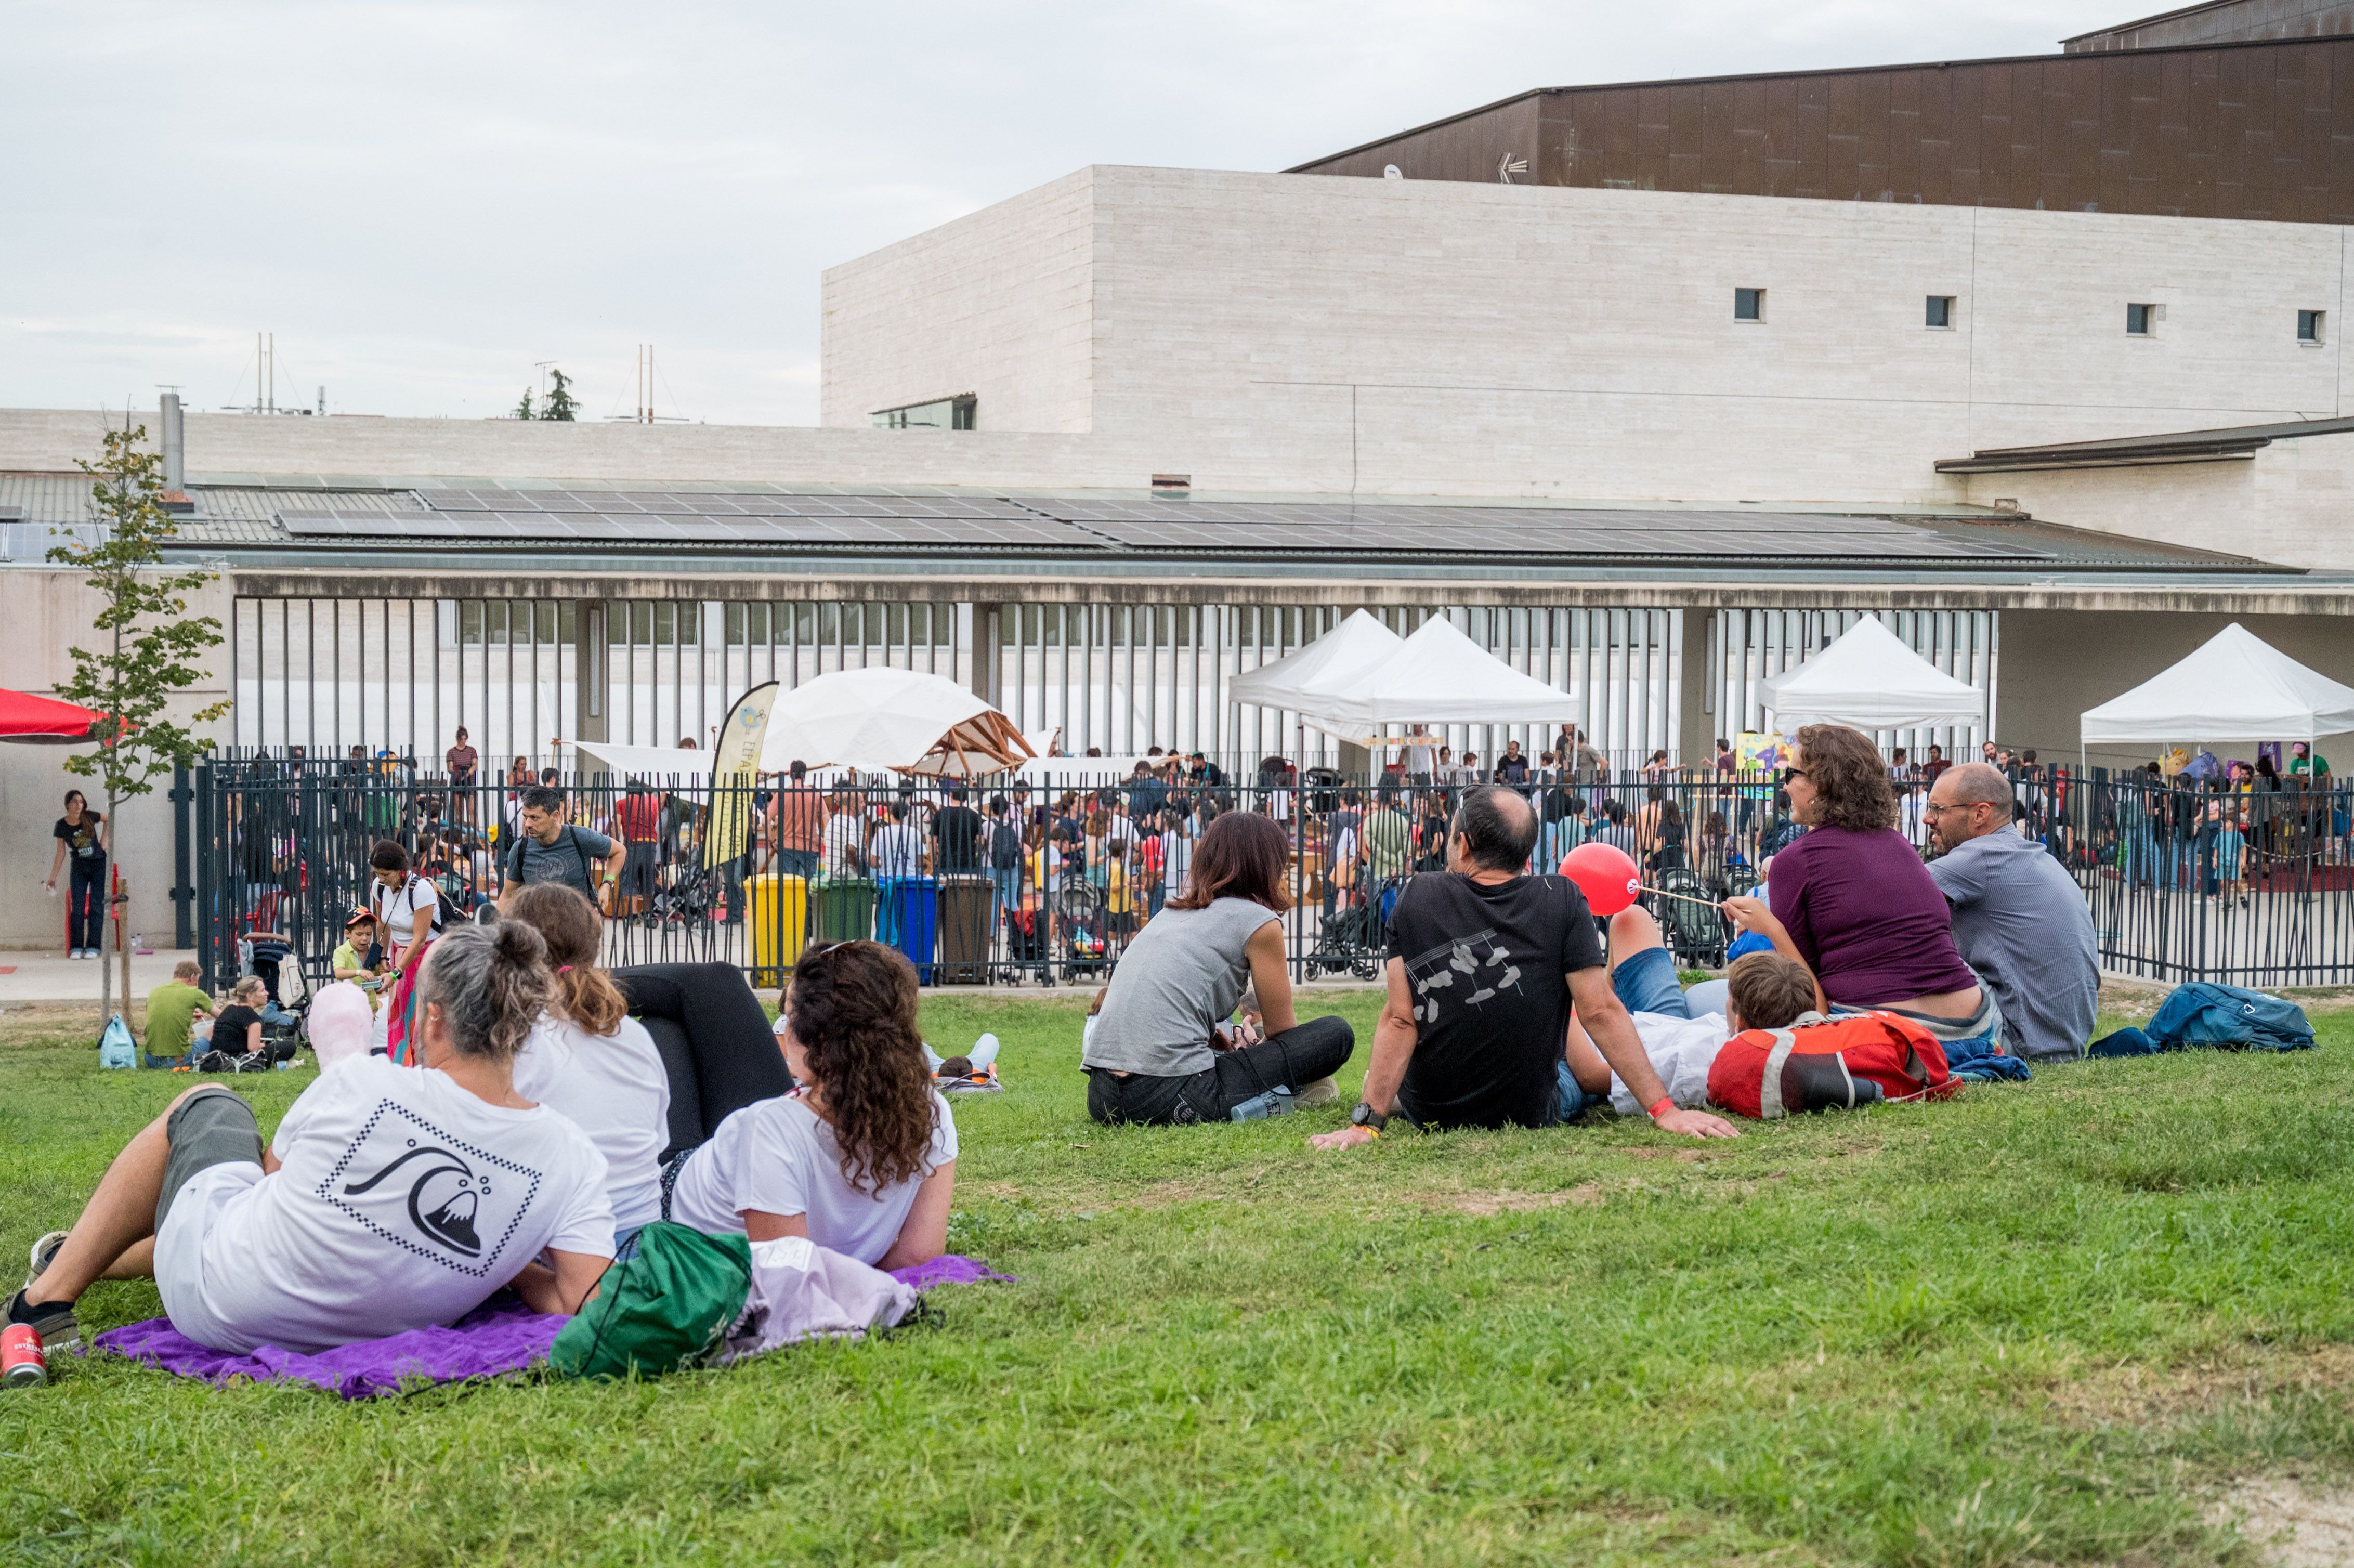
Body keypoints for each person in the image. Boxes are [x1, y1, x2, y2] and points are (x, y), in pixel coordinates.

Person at [11, 922, 612, 1357]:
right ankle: (85, 1259)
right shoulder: (573, 1158)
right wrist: (502, 1264)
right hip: (373, 1335)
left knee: (208, 1106)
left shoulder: (362, 1082)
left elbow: (271, 1185)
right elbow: (578, 1299)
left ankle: (44, 1301)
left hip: (221, 1304)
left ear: (434, 1019)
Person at [1312, 786, 1736, 1148]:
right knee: (1577, 1063)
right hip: (1532, 1110)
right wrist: (1664, 1111)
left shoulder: (1417, 896)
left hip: (1433, 1108)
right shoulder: (1563, 898)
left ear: (1465, 843)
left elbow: (1400, 1020)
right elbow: (1600, 1012)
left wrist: (1365, 1123)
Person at [664, 941, 955, 1269]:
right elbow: (919, 1254)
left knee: (676, 1021)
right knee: (719, 983)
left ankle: (596, 987)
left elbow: (786, 1279)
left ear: (811, 1037)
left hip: (669, 1200)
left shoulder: (772, 1130)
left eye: (788, 1016)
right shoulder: (933, 1111)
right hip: (740, 1159)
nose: (784, 1028)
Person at [1082, 811, 1355, 1125]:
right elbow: (1284, 1035)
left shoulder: (1169, 913)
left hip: (1103, 1096)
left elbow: (1165, 995)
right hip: (1172, 1093)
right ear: (1266, 867)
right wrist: (1250, 1048)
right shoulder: (1260, 923)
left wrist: (1215, 1038)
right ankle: (1286, 1093)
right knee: (1336, 1034)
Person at [1768, 725, 1995, 1045]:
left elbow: (1802, 987)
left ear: (1822, 782)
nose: (1786, 784)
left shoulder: (1795, 860)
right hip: (1971, 1028)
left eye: (1792, 773)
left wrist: (1767, 926)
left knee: (1707, 997)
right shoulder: (1900, 845)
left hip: (1882, 1034)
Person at [504, 884, 670, 1248]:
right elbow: (657, 1141)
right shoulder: (635, 1037)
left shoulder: (518, 1041)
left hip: (564, 1245)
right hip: (645, 1237)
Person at [1563, 906, 1820, 1115]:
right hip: (1663, 1024)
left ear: (1740, 1023)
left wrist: (1575, 1003)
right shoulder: (1779, 1029)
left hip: (1589, 1048)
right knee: (1631, 919)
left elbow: (1590, 1076)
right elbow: (1818, 1011)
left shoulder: (1690, 1066)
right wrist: (1773, 929)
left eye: (1728, 998)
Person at [1920, 762, 2096, 1060]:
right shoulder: (2037, 858)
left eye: (1938, 809)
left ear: (1980, 814)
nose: (1927, 819)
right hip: (2064, 1043)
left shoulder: (1981, 856)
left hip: (2021, 1042)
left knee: (1908, 945)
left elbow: (1888, 904)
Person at [369, 838, 446, 1064]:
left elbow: (421, 938)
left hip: (425, 956)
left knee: (421, 1013)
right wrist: (383, 955)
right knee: (400, 1012)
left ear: (401, 871)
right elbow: (383, 923)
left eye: (385, 874)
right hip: (398, 952)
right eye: (377, 874)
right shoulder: (380, 887)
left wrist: (396, 973)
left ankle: (426, 1064)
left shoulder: (421, 890)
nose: (380, 879)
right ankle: (402, 1065)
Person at [499, 784, 625, 913]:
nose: (527, 824)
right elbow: (508, 896)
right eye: (525, 817)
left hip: (578, 926)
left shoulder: (580, 837)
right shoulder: (521, 849)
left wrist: (607, 885)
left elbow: (619, 851)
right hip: (537, 929)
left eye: (534, 818)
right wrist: (495, 929)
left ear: (555, 815)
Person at [45, 789, 109, 959]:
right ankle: (76, 947)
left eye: (81, 802)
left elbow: (108, 818)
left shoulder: (89, 816)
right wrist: (52, 878)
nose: (78, 805)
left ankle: (94, 947)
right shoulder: (61, 826)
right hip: (79, 868)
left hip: (98, 865)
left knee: (96, 905)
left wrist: (104, 841)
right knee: (78, 907)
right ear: (67, 805)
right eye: (74, 802)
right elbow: (61, 853)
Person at [143, 960, 214, 1066]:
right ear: (192, 977)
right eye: (197, 980)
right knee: (212, 1030)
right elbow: (222, 1016)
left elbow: (161, 1016)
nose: (197, 984)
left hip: (151, 1059)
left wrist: (188, 1013)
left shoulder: (155, 992)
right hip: (178, 1061)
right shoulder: (195, 993)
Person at [612, 778, 663, 915]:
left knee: (630, 878)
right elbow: (660, 808)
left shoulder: (621, 803)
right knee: (647, 878)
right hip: (651, 843)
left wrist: (615, 846)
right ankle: (647, 913)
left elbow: (616, 826)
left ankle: (634, 915)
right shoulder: (652, 802)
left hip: (633, 844)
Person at [773, 761, 827, 880]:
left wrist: (772, 839)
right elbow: (826, 818)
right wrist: (825, 839)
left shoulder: (781, 794)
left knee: (789, 886)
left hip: (787, 845)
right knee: (811, 885)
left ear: (790, 775)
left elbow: (766, 819)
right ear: (805, 776)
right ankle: (808, 899)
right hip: (810, 846)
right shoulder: (815, 795)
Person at [331, 908, 386, 1006]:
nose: (365, 938)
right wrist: (359, 972)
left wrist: (383, 971)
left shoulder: (372, 952)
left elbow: (377, 976)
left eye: (369, 934)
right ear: (348, 934)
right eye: (359, 934)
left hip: (370, 1003)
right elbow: (339, 973)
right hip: (348, 1002)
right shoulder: (341, 951)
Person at [208, 975, 268, 1059]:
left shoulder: (229, 1009)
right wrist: (262, 1045)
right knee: (287, 1047)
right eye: (262, 991)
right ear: (250, 996)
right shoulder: (253, 1018)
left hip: (215, 1057)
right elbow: (253, 1048)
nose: (267, 993)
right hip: (235, 1059)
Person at [932, 784, 986, 876]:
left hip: (946, 862)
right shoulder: (974, 816)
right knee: (967, 890)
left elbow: (933, 841)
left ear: (951, 795)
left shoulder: (940, 814)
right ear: (966, 797)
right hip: (968, 862)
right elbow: (981, 842)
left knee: (946, 889)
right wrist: (975, 854)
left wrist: (934, 860)